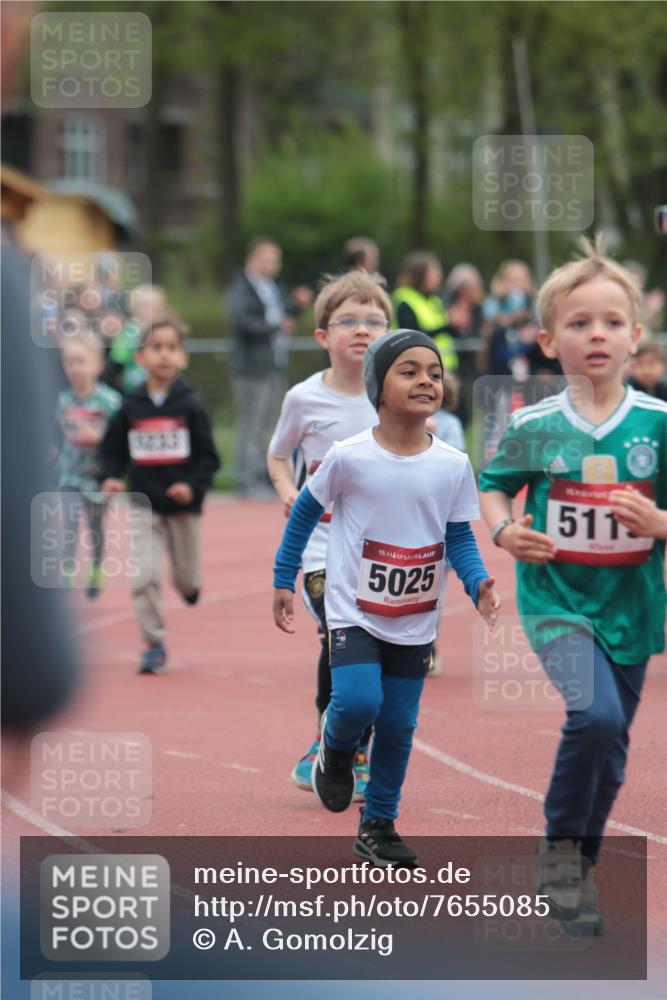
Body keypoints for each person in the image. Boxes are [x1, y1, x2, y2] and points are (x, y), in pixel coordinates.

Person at [479, 236, 667, 935]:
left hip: (635, 609)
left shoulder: (658, 425)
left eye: (611, 322)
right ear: (547, 340)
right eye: (580, 322)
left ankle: (573, 866)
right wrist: (503, 533)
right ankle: (558, 849)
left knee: (611, 751)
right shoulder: (534, 425)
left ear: (635, 337)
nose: (597, 334)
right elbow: (493, 489)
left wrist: (657, 521)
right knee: (595, 719)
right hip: (556, 603)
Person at [273, 329, 500, 865]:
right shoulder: (349, 457)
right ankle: (334, 745)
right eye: (409, 371)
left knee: (398, 726)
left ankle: (378, 824)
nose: (426, 380)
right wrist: (284, 578)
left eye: (435, 373)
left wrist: (476, 582)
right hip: (353, 609)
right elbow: (305, 510)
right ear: (377, 387)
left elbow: (460, 535)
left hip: (415, 616)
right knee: (356, 701)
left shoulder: (451, 463)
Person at [267, 271, 392, 799]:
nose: (361, 330)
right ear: (322, 336)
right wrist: (286, 491)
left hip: (387, 551)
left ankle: (341, 743)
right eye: (348, 321)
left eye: (374, 321)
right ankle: (336, 746)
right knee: (341, 636)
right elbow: (278, 455)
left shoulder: (394, 393)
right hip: (322, 548)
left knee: (378, 648)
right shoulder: (303, 399)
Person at [101, 316, 220, 674]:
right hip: (143, 503)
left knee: (186, 579)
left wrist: (191, 486)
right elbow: (112, 450)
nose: (164, 355)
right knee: (143, 575)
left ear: (182, 357)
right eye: (156, 348)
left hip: (183, 507)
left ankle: (190, 585)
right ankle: (153, 643)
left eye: (172, 348)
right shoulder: (129, 406)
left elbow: (209, 458)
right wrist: (111, 477)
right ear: (140, 357)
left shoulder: (190, 405)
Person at [227, 237, 309, 496]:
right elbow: (241, 322)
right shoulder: (241, 287)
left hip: (275, 364)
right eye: (269, 259)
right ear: (254, 259)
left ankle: (261, 475)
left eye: (276, 260)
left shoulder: (272, 287)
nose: (275, 265)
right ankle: (244, 479)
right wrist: (275, 327)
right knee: (251, 424)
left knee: (269, 425)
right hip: (251, 368)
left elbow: (284, 316)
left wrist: (297, 305)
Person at [56, 330, 122, 598]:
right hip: (69, 474)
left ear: (98, 365)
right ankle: (68, 571)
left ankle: (95, 570)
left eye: (81, 361)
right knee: (69, 523)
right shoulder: (61, 400)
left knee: (95, 526)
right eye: (70, 362)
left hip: (97, 476)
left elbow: (120, 440)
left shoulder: (110, 402)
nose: (75, 369)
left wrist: (102, 438)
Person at [392, 252, 466, 373]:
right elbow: (413, 336)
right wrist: (447, 327)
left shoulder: (435, 301)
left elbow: (444, 333)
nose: (439, 276)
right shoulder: (404, 298)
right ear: (420, 275)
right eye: (435, 272)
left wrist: (456, 325)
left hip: (443, 368)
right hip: (420, 369)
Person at [108, 284, 167, 393]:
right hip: (134, 389)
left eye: (156, 305)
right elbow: (118, 360)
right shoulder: (129, 331)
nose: (152, 310)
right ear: (135, 308)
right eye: (146, 305)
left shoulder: (167, 332)